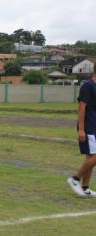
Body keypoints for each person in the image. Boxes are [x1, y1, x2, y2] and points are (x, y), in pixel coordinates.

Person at [67, 63, 96, 196]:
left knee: (91, 157)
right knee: (94, 157)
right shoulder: (88, 86)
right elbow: (81, 107)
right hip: (88, 126)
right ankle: (75, 179)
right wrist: (81, 129)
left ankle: (85, 188)